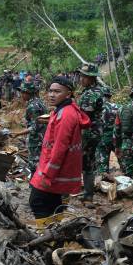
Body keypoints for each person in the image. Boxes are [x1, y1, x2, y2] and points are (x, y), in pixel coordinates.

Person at [28, 75, 89, 224]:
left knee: (37, 201)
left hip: (54, 170)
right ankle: (57, 235)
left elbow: (59, 148)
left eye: (57, 91)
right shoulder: (62, 110)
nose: (51, 95)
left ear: (68, 94)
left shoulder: (65, 114)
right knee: (54, 204)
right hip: (57, 168)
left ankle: (47, 237)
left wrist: (47, 175)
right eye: (50, 91)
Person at [76, 64, 104, 200]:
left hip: (88, 133)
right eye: (81, 76)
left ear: (91, 78)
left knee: (83, 162)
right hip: (93, 132)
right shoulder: (94, 91)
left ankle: (87, 194)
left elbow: (84, 116)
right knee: (88, 163)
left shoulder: (91, 93)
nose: (81, 79)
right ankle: (87, 194)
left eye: (84, 77)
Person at [21, 79, 47, 172]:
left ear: (28, 93)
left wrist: (18, 133)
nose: (21, 94)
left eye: (23, 92)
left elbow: (35, 127)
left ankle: (34, 185)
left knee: (35, 165)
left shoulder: (33, 106)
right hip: (42, 137)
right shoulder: (39, 102)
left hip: (37, 140)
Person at [97, 88, 118, 174]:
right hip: (115, 136)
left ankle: (104, 181)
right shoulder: (117, 107)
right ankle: (127, 180)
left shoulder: (98, 108)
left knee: (103, 161)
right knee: (121, 159)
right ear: (110, 96)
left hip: (103, 137)